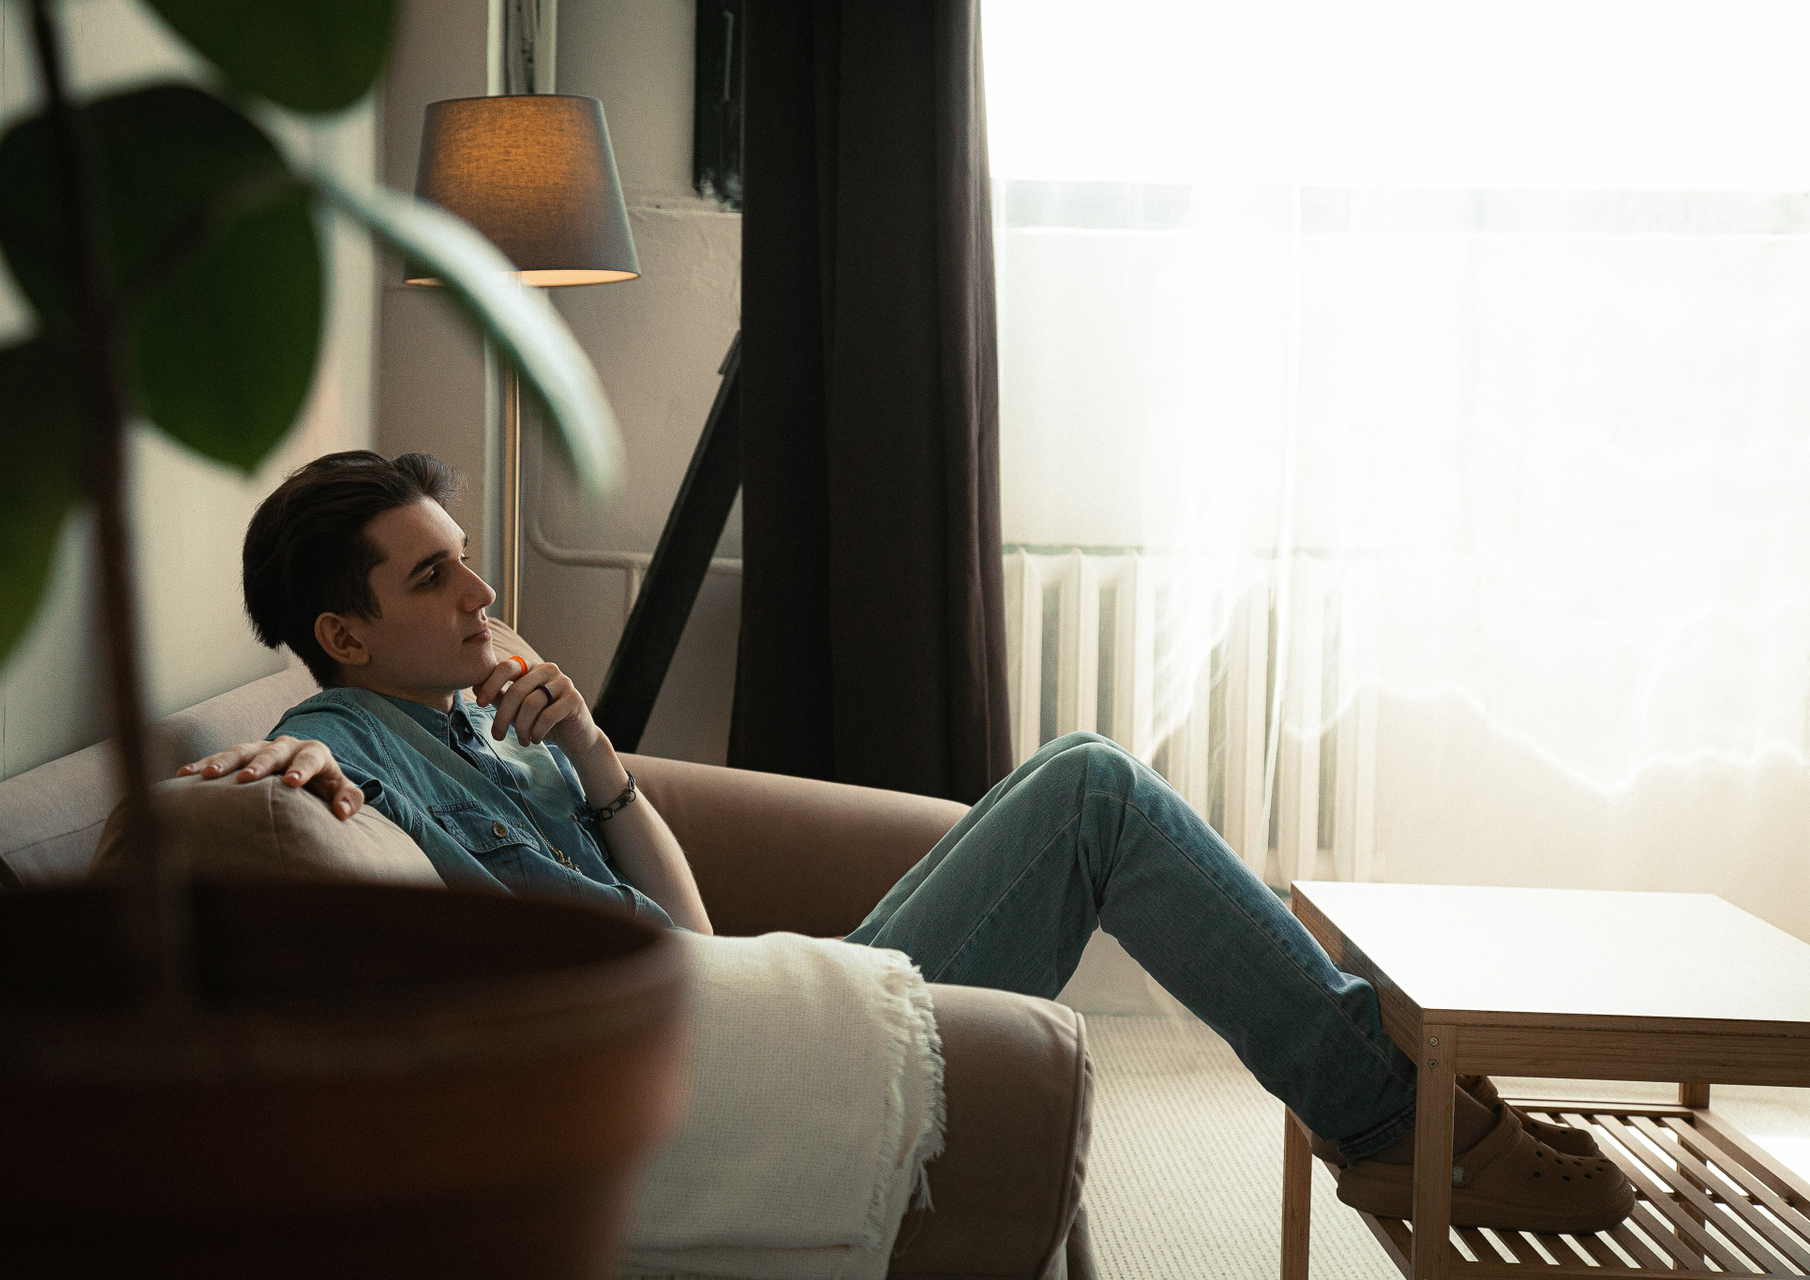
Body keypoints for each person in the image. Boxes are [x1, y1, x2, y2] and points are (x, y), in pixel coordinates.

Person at [185, 450, 1632, 1231]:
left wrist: (596, 761)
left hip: (743, 989)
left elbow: (684, 928)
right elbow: (281, 797)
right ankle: (1393, 1121)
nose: (484, 593)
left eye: (466, 560)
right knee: (1092, 787)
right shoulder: (352, 738)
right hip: (733, 1045)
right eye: (435, 577)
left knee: (1077, 778)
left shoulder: (476, 726)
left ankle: (1381, 1105)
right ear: (343, 636)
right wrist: (306, 762)